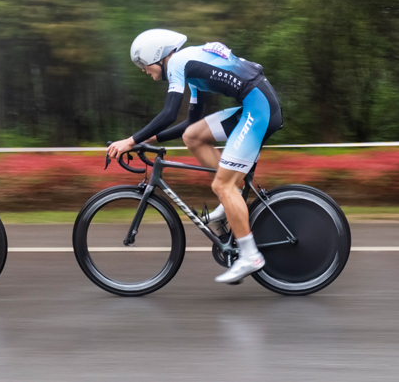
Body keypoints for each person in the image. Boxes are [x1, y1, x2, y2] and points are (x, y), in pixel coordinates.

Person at [106, 29, 283, 284]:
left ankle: (250, 255)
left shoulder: (178, 62)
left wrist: (131, 141)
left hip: (259, 108)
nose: (145, 72)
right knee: (193, 136)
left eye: (144, 65)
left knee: (221, 185)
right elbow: (192, 120)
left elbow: (168, 114)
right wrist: (147, 140)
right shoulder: (190, 66)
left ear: (157, 56)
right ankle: (232, 195)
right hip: (254, 104)